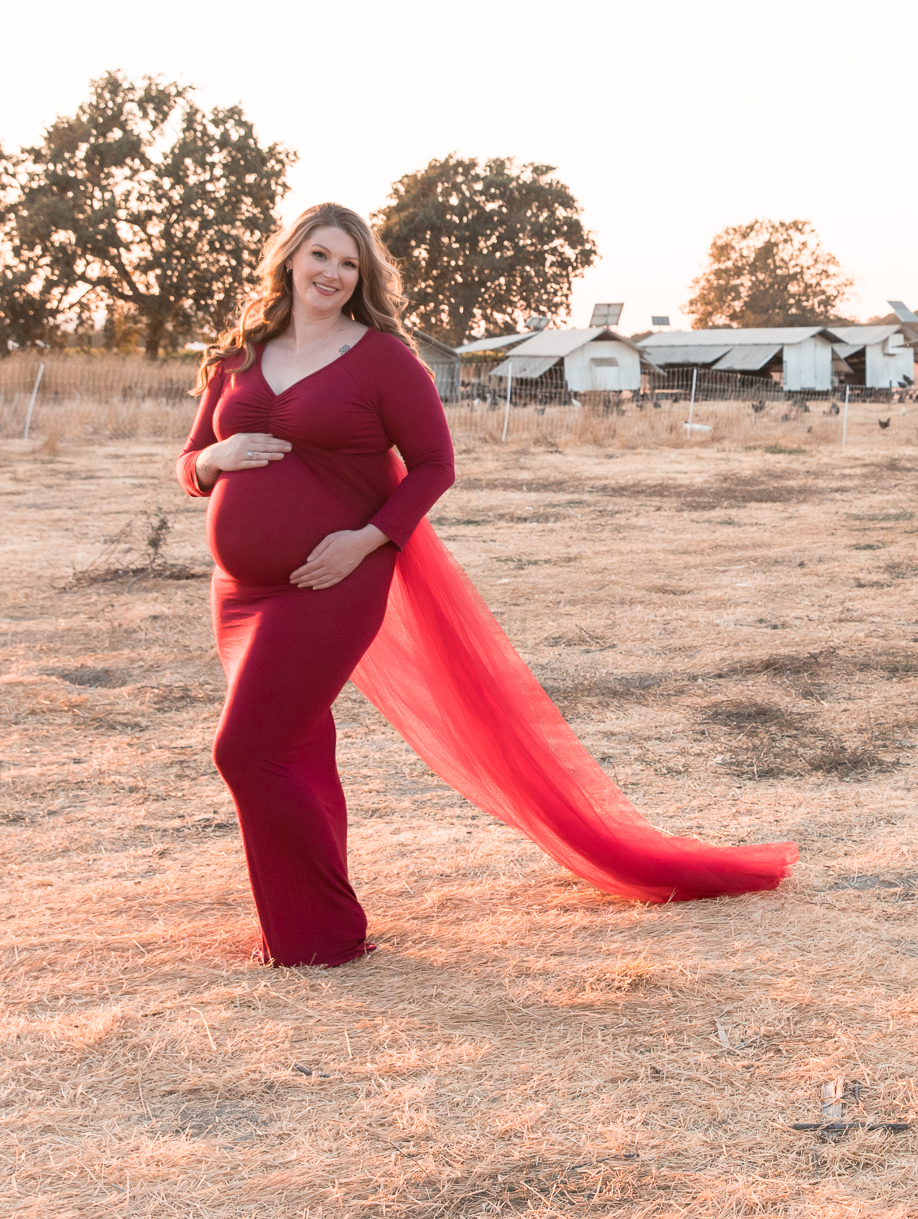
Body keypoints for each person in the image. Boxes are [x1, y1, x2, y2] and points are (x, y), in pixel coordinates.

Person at [181, 203, 792, 967]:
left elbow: (436, 466)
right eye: (321, 256)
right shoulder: (239, 354)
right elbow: (192, 464)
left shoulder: (382, 361)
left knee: (247, 748)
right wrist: (215, 458)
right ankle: (314, 934)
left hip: (336, 580)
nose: (333, 274)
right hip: (240, 594)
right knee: (296, 747)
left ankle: (319, 936)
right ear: (290, 258)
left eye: (349, 264)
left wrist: (365, 540)